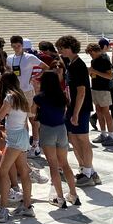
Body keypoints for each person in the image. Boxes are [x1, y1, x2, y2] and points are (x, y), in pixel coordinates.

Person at [56, 35, 99, 186]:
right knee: (73, 138)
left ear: (70, 48)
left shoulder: (78, 65)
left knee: (83, 139)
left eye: (62, 48)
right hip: (72, 108)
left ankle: (88, 172)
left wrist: (75, 113)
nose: (60, 51)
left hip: (80, 108)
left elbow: (82, 92)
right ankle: (88, 170)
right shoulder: (70, 63)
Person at [33, 71, 79, 208]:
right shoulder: (63, 96)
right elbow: (64, 112)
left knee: (53, 165)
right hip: (61, 130)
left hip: (47, 130)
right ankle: (73, 195)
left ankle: (59, 198)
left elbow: (31, 111)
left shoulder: (39, 97)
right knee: (65, 164)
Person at [0, 73, 34, 222]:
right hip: (22, 136)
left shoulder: (9, 97)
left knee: (2, 171)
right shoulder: (21, 96)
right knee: (23, 171)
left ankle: (4, 209)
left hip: (15, 138)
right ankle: (27, 206)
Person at [6, 36, 47, 154]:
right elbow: (9, 72)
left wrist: (36, 77)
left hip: (28, 91)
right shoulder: (10, 58)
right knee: (21, 120)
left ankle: (36, 145)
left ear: (22, 45)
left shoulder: (30, 57)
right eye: (14, 46)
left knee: (32, 118)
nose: (16, 48)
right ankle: (25, 146)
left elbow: (45, 67)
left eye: (18, 46)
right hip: (16, 92)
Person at [86, 43, 113, 147]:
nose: (91, 55)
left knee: (106, 112)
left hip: (104, 90)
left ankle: (111, 135)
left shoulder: (104, 60)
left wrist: (94, 71)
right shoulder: (93, 61)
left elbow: (109, 76)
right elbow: (93, 74)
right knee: (98, 111)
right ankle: (103, 133)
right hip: (95, 88)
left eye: (91, 53)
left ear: (96, 51)